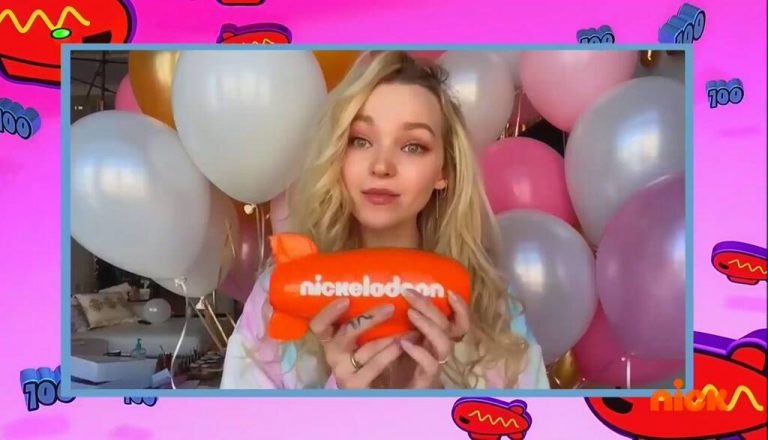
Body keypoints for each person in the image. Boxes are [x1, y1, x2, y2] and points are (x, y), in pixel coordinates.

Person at [221, 51, 549, 389]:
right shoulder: (275, 300)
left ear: (445, 171)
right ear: (337, 155)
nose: (381, 166)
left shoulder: (494, 309)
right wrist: (340, 404)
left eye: (412, 146)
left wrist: (434, 406)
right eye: (360, 141)